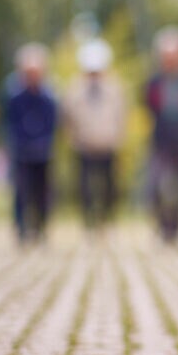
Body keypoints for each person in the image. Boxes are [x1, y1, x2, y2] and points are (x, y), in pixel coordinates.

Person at [63, 39, 127, 234]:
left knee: (110, 188)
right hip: (84, 144)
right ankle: (88, 222)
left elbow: (121, 115)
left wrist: (117, 137)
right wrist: (73, 138)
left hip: (108, 144)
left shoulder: (115, 88)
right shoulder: (74, 88)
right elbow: (68, 116)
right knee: (84, 188)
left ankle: (107, 221)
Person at [144, 28, 178, 246]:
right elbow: (150, 108)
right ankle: (162, 226)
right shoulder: (154, 83)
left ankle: (176, 229)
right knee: (156, 185)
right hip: (160, 142)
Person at [4, 43, 58, 245]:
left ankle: (42, 227)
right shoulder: (13, 94)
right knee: (21, 191)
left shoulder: (49, 96)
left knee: (43, 192)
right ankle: (21, 229)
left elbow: (52, 124)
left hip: (43, 151)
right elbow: (10, 122)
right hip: (21, 150)